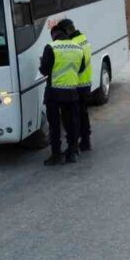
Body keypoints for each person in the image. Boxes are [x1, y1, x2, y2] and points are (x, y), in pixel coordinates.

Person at [38, 24, 85, 165]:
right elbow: (81, 68)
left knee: (54, 126)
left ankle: (56, 155)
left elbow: (44, 70)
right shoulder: (78, 48)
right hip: (71, 91)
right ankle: (72, 152)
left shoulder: (51, 47)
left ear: (54, 34)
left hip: (54, 92)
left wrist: (42, 64)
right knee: (71, 123)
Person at [58, 19, 94, 152]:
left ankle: (75, 144)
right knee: (83, 113)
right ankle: (86, 141)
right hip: (86, 83)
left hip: (76, 84)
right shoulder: (83, 38)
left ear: (67, 31)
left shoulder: (73, 44)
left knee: (74, 116)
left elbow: (74, 65)